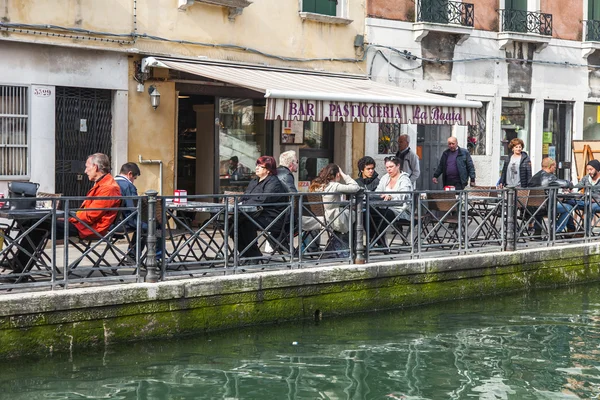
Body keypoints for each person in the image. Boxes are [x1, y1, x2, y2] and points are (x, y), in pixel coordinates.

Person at [10, 153, 121, 274]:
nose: (85, 171)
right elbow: (87, 214)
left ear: (95, 167)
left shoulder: (108, 188)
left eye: (87, 167)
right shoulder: (103, 184)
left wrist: (68, 218)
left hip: (88, 228)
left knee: (37, 225)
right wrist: (68, 217)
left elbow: (90, 216)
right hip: (82, 224)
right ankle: (18, 263)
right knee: (31, 222)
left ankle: (20, 269)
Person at [234, 156, 287, 259]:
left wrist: (243, 204)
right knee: (233, 222)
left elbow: (263, 199)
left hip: (272, 217)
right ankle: (245, 253)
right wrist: (240, 203)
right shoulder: (254, 181)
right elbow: (245, 196)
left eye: (260, 166)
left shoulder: (273, 182)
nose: (257, 168)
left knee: (246, 223)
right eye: (256, 165)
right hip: (256, 214)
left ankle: (254, 255)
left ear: (268, 170)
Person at [370, 156, 413, 248]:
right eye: (387, 167)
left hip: (401, 210)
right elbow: (378, 192)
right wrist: (376, 196)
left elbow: (403, 196)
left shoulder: (405, 179)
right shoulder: (385, 178)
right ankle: (377, 241)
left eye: (391, 167)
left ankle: (377, 241)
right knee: (368, 213)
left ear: (398, 166)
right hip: (384, 207)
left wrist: (391, 196)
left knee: (384, 214)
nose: (389, 169)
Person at [309, 164, 360, 235]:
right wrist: (343, 174)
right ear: (338, 174)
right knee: (356, 213)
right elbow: (356, 187)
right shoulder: (334, 186)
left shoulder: (317, 186)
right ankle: (347, 242)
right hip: (332, 219)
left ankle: (337, 241)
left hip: (316, 218)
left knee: (347, 212)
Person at [528, 157, 574, 233]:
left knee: (539, 205)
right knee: (568, 208)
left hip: (531, 208)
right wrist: (570, 184)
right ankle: (556, 230)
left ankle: (537, 231)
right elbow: (565, 183)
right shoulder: (549, 177)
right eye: (554, 167)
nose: (555, 169)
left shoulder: (534, 177)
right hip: (546, 207)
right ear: (550, 166)